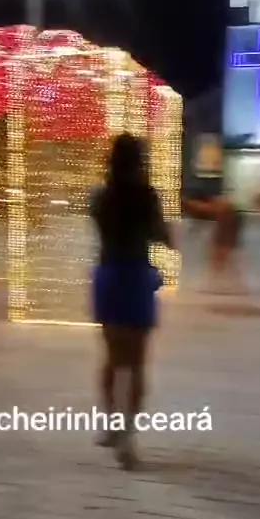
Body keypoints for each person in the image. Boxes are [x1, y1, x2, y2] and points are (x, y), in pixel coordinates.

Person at [89, 133, 173, 470]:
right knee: (136, 363)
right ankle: (127, 436)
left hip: (109, 276)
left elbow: (100, 226)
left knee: (112, 358)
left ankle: (111, 423)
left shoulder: (100, 197)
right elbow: (163, 236)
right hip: (136, 279)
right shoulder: (146, 196)